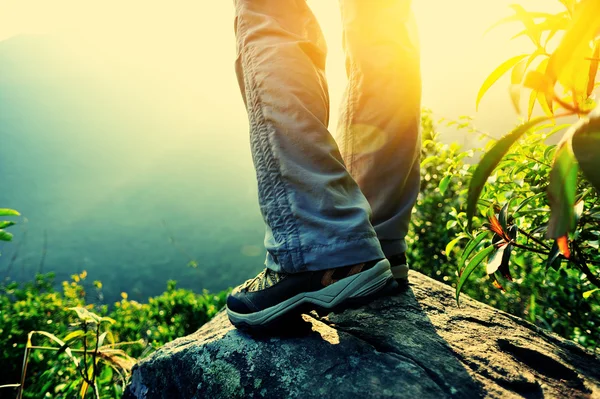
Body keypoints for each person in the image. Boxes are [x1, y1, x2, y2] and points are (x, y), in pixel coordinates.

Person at [226, 0, 421, 331]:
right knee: (381, 22)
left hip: (317, 252)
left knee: (272, 12)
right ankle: (376, 240)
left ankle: (321, 249)